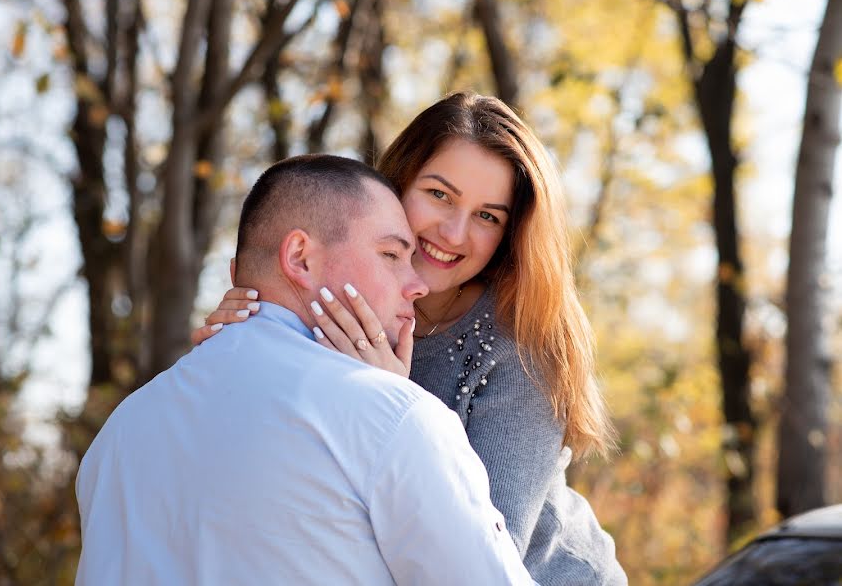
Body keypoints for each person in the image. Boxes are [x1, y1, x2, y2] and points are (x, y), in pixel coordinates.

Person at [195, 92, 628, 584]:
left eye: (488, 216)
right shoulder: (339, 297)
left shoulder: (521, 350)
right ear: (396, 184)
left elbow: (485, 553)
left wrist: (389, 399)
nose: (453, 233)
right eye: (439, 195)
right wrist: (242, 340)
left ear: (509, 234)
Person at [75, 154, 537, 585]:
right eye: (392, 255)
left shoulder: (118, 434)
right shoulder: (396, 420)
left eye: (488, 215)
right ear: (300, 257)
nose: (415, 284)